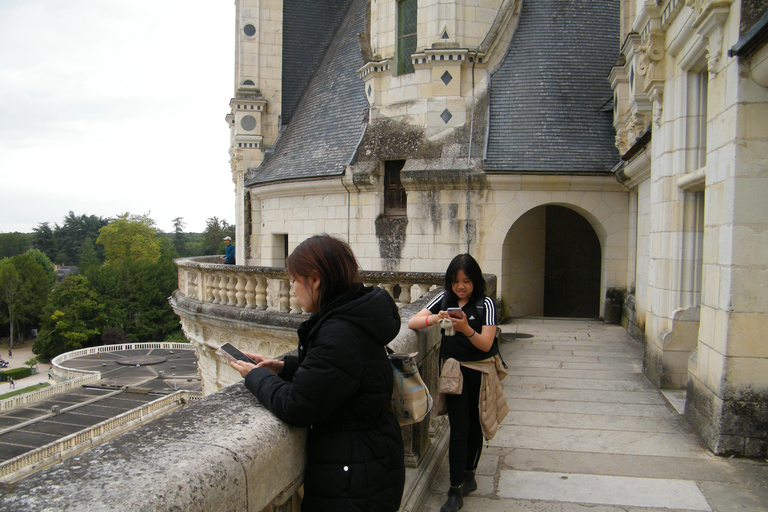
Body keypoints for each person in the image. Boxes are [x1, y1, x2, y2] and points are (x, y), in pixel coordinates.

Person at [229, 234, 405, 511]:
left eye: (294, 280)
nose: (292, 289)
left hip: (354, 475)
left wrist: (255, 377)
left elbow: (297, 405)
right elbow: (345, 372)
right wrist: (285, 367)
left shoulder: (340, 331)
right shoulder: (355, 315)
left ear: (315, 280)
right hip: (372, 457)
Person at [407, 254, 508, 512]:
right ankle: (454, 490)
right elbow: (412, 321)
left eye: (466, 281)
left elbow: (486, 343)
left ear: (475, 280)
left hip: (480, 373)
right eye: (455, 281)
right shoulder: (445, 299)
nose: (460, 286)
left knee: (476, 425)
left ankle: (470, 475)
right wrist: (435, 318)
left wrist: (465, 329)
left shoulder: (486, 304)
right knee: (459, 428)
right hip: (454, 375)